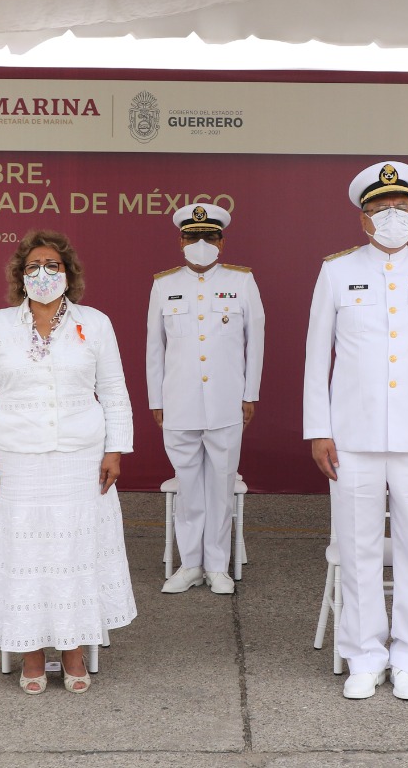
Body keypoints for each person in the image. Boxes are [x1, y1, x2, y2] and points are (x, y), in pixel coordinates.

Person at [303, 161, 408, 701]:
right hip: (351, 437)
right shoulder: (336, 272)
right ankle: (363, 655)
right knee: (356, 549)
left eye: (401, 208)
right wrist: (318, 429)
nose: (393, 217)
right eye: (381, 209)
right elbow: (315, 359)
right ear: (363, 219)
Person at [0, 230, 136, 695]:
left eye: (52, 265)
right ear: (20, 274)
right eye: (34, 265)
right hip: (14, 462)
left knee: (73, 555)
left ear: (68, 273)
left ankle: (74, 649)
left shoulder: (95, 323)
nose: (43, 273)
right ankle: (31, 652)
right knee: (27, 556)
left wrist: (115, 449)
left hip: (79, 460)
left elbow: (115, 392)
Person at [147, 203, 265, 595]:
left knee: (220, 484)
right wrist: (155, 399)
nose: (201, 243)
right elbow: (154, 347)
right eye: (193, 237)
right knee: (188, 487)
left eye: (209, 237)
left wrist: (250, 393)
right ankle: (190, 564)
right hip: (178, 402)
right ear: (181, 241)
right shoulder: (164, 284)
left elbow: (256, 342)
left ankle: (217, 564)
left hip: (226, 401)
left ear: (221, 241)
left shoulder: (242, 281)